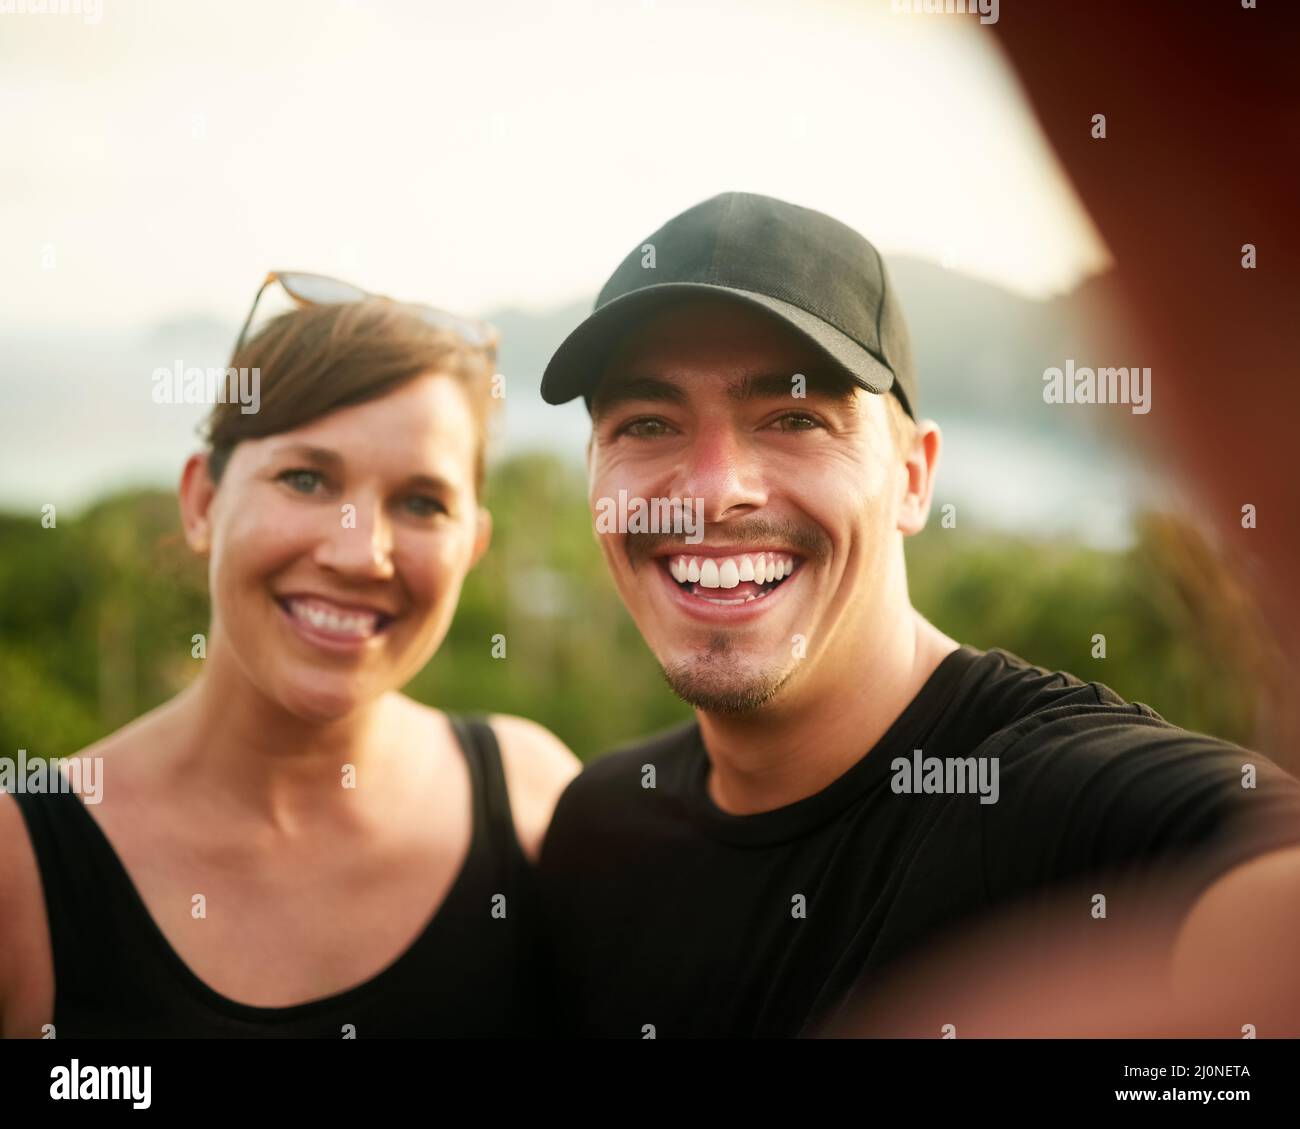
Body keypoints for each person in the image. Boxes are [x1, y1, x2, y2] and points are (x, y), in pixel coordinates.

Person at [534, 192, 1300, 1037]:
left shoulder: (1058, 814)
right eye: (647, 423)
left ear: (912, 476)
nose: (714, 490)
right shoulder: (597, 829)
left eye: (794, 418)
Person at [0, 272, 579, 1037]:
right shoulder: (24, 866)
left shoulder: (534, 804)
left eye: (420, 503)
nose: (359, 552)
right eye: (305, 478)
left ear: (471, 544)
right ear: (202, 501)